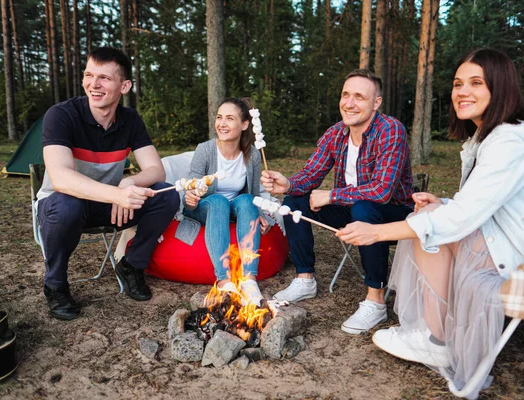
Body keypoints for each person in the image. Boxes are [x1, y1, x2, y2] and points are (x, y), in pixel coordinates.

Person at [337, 48, 524, 396]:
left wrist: (377, 232)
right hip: (522, 235)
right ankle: (437, 335)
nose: (462, 91)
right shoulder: (488, 138)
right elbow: (481, 202)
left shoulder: (513, 138)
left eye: (476, 83)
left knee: (427, 225)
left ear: (501, 88)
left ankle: (437, 338)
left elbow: (465, 216)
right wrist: (444, 202)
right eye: (458, 83)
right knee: (428, 216)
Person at [261, 69, 414, 334]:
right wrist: (288, 183)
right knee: (295, 200)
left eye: (359, 97)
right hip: (351, 209)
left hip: (394, 216)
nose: (349, 103)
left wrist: (331, 195)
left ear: (376, 103)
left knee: (365, 207)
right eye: (345, 95)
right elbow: (310, 175)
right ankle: (305, 278)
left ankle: (375, 301)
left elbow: (381, 191)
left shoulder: (391, 130)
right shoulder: (336, 133)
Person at [37, 47, 179, 320]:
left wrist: (128, 182)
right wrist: (115, 194)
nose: (94, 84)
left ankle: (132, 264)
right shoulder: (61, 115)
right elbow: (61, 178)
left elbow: (156, 170)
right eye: (89, 75)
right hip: (61, 204)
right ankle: (55, 284)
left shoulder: (130, 120)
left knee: (166, 195)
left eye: (104, 78)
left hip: (109, 204)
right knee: (68, 204)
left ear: (124, 86)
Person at [182, 98, 272, 306]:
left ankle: (249, 279)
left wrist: (258, 213)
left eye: (229, 118)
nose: (222, 123)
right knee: (219, 201)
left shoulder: (253, 155)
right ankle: (224, 280)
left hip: (232, 208)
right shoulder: (205, 150)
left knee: (248, 200)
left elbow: (252, 194)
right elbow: (190, 187)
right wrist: (190, 199)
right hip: (204, 207)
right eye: (219, 117)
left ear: (244, 125)